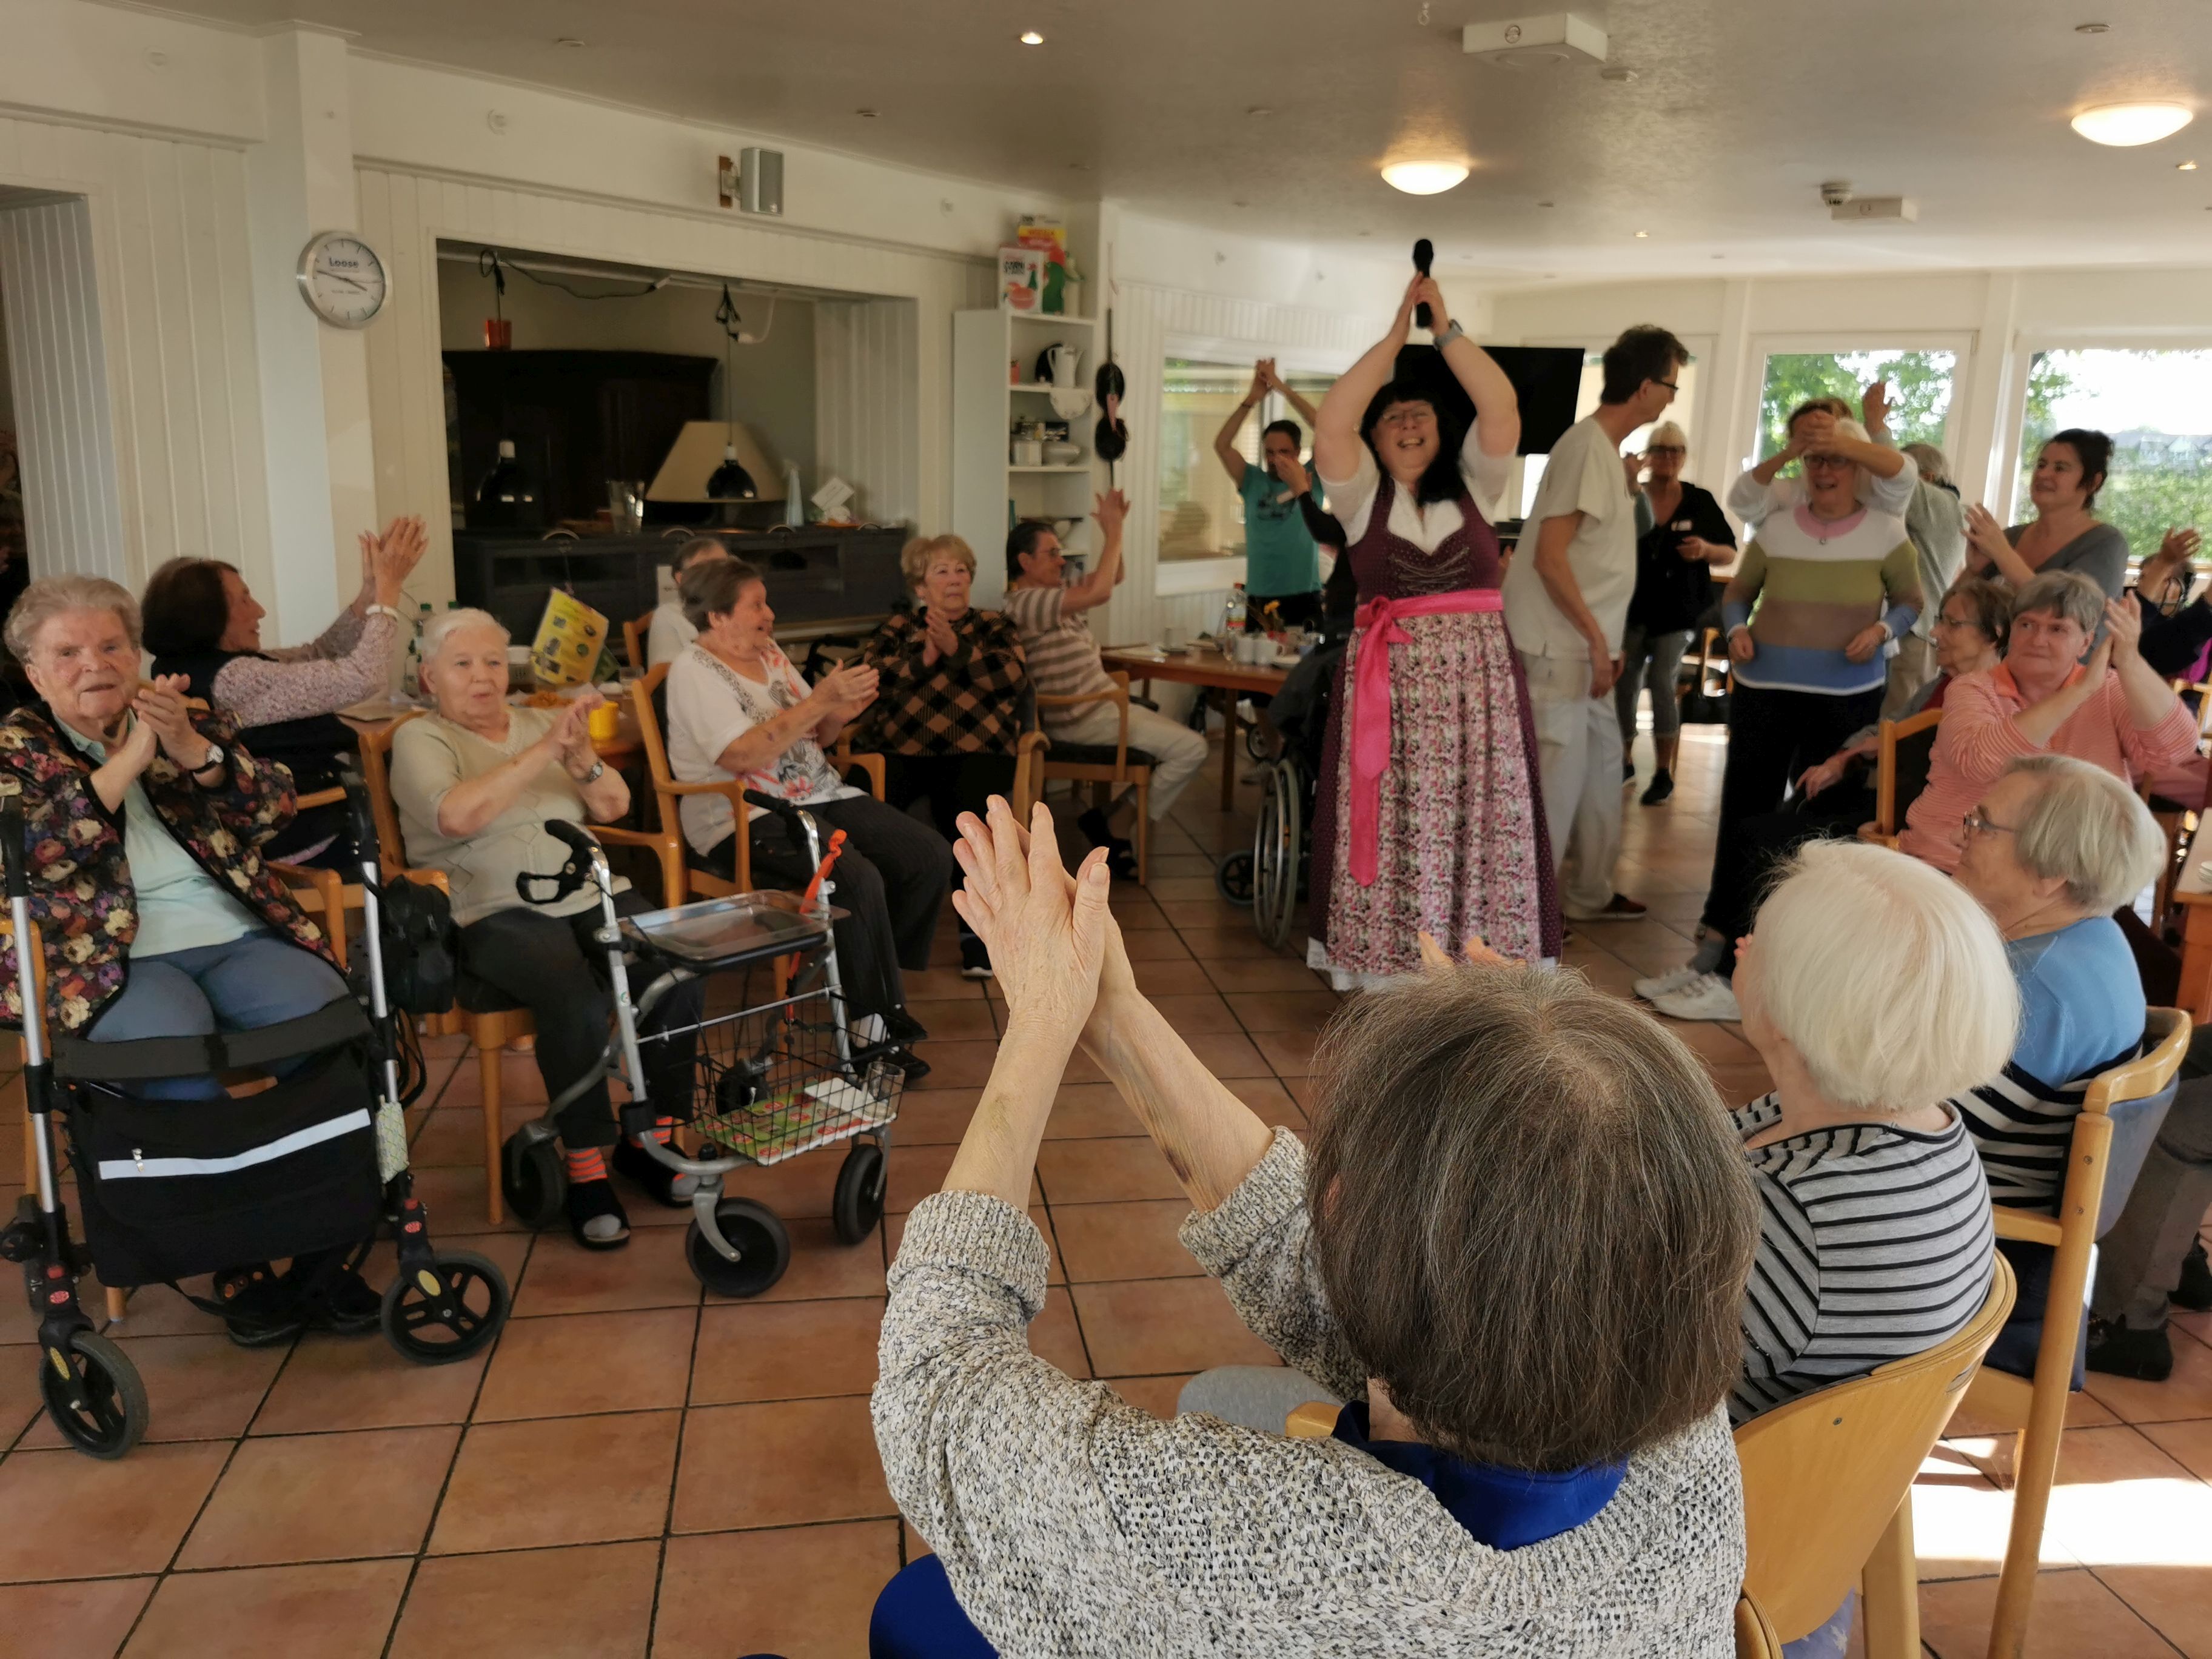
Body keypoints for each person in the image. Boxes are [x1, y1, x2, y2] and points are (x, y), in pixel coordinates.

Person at [868, 796, 1759, 1657]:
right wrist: (1113, 1017)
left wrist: (1037, 1025)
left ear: (1338, 1209)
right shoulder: (1681, 1434)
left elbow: (939, 1394)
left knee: (913, 1612)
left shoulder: (1261, 1551)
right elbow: (1369, 1272)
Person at [0, 574, 370, 1343]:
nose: (94, 663)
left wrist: (197, 754)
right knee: (171, 1059)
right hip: (107, 957)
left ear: (136, 653)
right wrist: (132, 757)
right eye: (68, 653)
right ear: (35, 674)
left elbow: (273, 810)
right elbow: (34, 853)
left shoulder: (186, 715)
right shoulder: (16, 749)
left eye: (111, 645)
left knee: (327, 1027)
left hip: (232, 932)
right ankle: (234, 1255)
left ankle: (323, 1245)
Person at [390, 608, 706, 1251]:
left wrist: (582, 756)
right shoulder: (422, 738)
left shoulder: (540, 721)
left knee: (679, 966)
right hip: (490, 907)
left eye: (493, 662)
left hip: (587, 887)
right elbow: (455, 817)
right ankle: (586, 1164)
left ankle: (652, 1142)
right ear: (430, 677)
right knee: (573, 996)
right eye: (463, 664)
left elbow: (614, 805)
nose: (483, 677)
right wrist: (544, 752)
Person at [1303, 274, 1558, 982]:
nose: (1407, 423)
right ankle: (1394, 970)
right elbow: (1331, 424)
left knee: (1482, 823)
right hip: (1393, 703)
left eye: (1419, 414)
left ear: (1443, 431)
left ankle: (1482, 967)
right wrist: (1394, 339)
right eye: (1392, 418)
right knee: (1398, 825)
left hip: (1479, 701)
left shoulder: (1477, 485)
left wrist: (1443, 329)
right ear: (1375, 441)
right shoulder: (1361, 498)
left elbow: (1500, 406)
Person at [1637, 577, 2011, 1013]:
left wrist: (1875, 748)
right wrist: (1842, 759)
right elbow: (1885, 730)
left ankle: (1738, 982)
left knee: (1771, 842)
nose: (1937, 632)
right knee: (1752, 829)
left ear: (1993, 636)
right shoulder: (1940, 685)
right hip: (1883, 799)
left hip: (1912, 821)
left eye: (1953, 624)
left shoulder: (1995, 698)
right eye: (1941, 620)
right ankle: (1712, 959)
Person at [1656, 415, 1922, 1023]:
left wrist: (1883, 630)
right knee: (1742, 815)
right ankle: (1716, 949)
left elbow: (1911, 602)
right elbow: (1736, 595)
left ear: (1858, 466)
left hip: (1846, 696)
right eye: (1816, 460)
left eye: (1838, 460)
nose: (1825, 471)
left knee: (1811, 828)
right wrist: (1737, 631)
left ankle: (1772, 967)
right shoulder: (1776, 526)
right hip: (1763, 689)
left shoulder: (1886, 530)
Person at [665, 555, 953, 1065]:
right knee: (854, 877)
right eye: (757, 605)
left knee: (926, 855)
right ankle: (869, 1033)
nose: (770, 615)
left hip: (819, 792)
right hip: (744, 815)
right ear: (717, 616)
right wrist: (820, 702)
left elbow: (818, 733)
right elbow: (741, 756)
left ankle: (870, 982)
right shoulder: (693, 671)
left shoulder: (770, 654)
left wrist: (840, 712)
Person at [1500, 324, 1688, 923]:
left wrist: (1603, 642)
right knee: (1555, 788)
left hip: (1588, 649)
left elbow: (1595, 558)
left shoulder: (1606, 454)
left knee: (1604, 773)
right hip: (1559, 648)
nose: (1672, 398)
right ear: (1645, 386)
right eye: (1671, 385)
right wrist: (1597, 637)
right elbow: (1549, 558)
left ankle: (1589, 893)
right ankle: (1528, 918)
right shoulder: (1584, 447)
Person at [143, 515, 427, 864]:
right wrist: (388, 594)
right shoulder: (233, 679)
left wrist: (370, 591)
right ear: (208, 617)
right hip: (307, 834)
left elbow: (319, 654)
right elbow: (362, 677)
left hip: (306, 818)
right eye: (245, 600)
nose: (260, 611)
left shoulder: (195, 663)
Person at [1948, 753, 2162, 1210]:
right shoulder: (2095, 935)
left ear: (2050, 873)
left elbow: (1909, 1143)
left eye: (1982, 826)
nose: (1957, 836)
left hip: (1975, 1225)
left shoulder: (2036, 991)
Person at [1899, 572, 2197, 874]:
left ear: (2086, 643)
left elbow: (2172, 750)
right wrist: (2078, 692)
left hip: (2074, 870)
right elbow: (1980, 762)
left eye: (2057, 629)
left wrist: (2130, 660)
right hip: (1957, 862)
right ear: (2011, 633)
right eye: (2027, 625)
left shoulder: (2109, 689)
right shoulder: (1971, 688)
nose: (2038, 640)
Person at [857, 533, 1027, 978]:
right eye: (942, 571)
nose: (955, 579)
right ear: (921, 586)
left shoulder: (994, 625)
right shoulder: (897, 630)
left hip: (979, 749)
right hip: (902, 751)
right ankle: (879, 931)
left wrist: (956, 650)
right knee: (868, 816)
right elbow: (872, 681)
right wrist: (924, 659)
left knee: (966, 820)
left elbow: (1012, 678)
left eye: (961, 570)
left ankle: (978, 937)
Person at [1002, 491, 1208, 851]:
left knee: (1186, 747)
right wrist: (1114, 532)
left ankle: (1112, 817)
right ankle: (1118, 822)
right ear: (1025, 561)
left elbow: (1114, 576)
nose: (1062, 561)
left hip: (1104, 708)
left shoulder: (1056, 595)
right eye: (1052, 553)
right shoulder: (1026, 602)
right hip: (1082, 718)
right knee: (1192, 749)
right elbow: (1100, 594)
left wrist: (1115, 530)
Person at [1617, 419, 1734, 806]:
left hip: (1679, 610)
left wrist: (1705, 550)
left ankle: (1663, 771)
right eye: (1660, 450)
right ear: (1648, 456)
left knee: (1662, 681)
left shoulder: (1699, 500)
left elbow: (1729, 552)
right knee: (1625, 680)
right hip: (1632, 606)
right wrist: (1629, 485)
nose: (1668, 457)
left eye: (1675, 451)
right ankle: (1624, 760)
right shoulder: (1631, 495)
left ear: (1684, 457)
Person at [1212, 358, 1325, 630]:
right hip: (1259, 598)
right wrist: (1252, 399)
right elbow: (1222, 445)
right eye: (1270, 452)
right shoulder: (1252, 480)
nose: (1275, 459)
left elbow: (1326, 429)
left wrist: (1282, 388)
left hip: (1303, 597)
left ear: (1298, 452)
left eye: (1284, 452)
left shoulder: (1313, 478)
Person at [1962, 430, 2132, 597]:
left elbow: (2070, 611)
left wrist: (2004, 555)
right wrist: (1973, 571)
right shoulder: (2010, 537)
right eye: (2041, 465)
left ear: (2094, 483)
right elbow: (1952, 608)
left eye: (2060, 468)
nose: (2042, 474)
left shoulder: (2105, 543)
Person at [1728, 390, 1919, 527]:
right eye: (1806, 438)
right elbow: (1743, 502)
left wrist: (1840, 443)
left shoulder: (1875, 490)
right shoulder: (1795, 493)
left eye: (1836, 459)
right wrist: (1784, 455)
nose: (1824, 468)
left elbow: (1904, 475)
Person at [1883, 438, 1970, 717]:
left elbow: (1893, 475)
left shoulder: (1941, 505)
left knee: (1895, 725)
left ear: (1928, 478)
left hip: (1913, 635)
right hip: (1905, 632)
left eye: (1909, 471)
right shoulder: (1943, 511)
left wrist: (1877, 429)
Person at [646, 534, 734, 666]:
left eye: (724, 568)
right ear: (681, 579)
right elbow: (666, 674)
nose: (720, 577)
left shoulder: (738, 607)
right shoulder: (668, 616)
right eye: (706, 570)